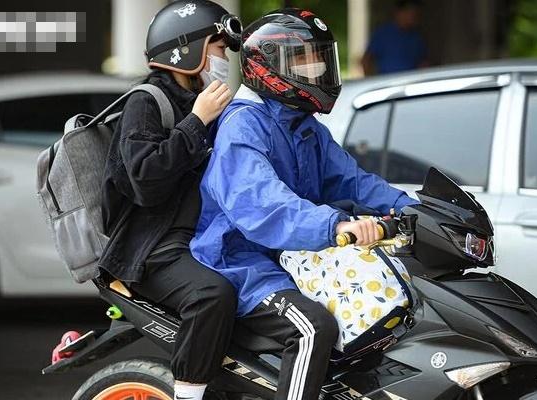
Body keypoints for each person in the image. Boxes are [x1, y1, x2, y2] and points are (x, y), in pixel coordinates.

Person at [191, 9, 418, 400]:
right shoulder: (243, 124)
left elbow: (352, 180)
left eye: (320, 58)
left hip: (294, 257)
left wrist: (412, 208)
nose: (317, 68)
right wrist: (337, 225)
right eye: (303, 60)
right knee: (314, 328)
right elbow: (264, 204)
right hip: (242, 262)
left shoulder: (303, 124)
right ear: (268, 66)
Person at [98, 2, 242, 400]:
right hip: (154, 248)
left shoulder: (199, 99)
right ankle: (188, 394)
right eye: (219, 48)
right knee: (212, 295)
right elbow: (146, 179)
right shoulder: (146, 101)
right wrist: (197, 121)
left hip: (200, 236)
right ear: (187, 49)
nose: (224, 59)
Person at [361, 0, 428, 75]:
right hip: (387, 80)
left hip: (410, 80)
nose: (415, 17)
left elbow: (423, 63)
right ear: (400, 12)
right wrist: (371, 79)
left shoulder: (416, 37)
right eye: (412, 13)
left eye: (417, 14)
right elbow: (366, 60)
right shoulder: (383, 33)